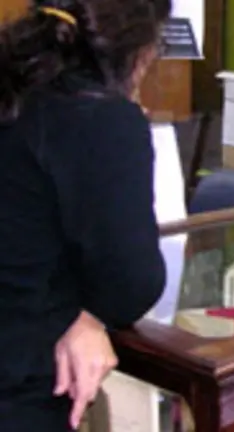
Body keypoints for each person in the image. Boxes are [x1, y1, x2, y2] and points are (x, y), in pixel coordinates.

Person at [0, 0, 171, 430]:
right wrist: (93, 316)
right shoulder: (100, 116)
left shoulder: (17, 88)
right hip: (19, 381)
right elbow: (132, 279)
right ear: (140, 43)